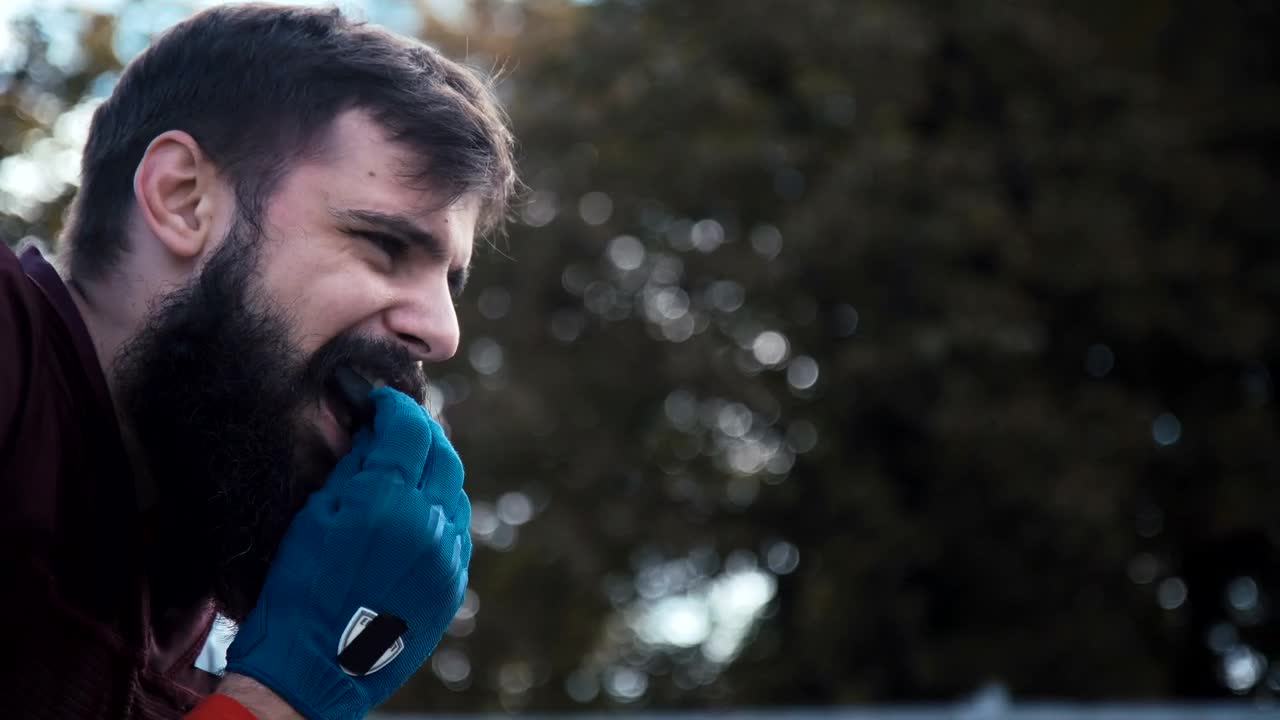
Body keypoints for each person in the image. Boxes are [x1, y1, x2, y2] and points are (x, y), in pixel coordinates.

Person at [0, 3, 516, 719]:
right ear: (183, 200)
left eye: (449, 285)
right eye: (383, 246)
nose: (443, 333)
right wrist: (283, 692)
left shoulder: (212, 600)